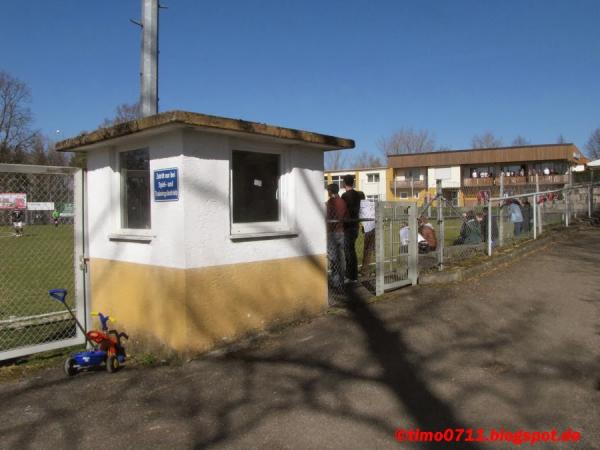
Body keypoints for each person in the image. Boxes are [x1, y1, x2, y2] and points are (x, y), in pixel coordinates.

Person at [341, 175, 365, 282]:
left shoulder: (344, 196)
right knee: (352, 251)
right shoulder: (358, 195)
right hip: (355, 225)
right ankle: (353, 275)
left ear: (344, 184)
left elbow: (342, 211)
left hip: (347, 226)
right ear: (353, 183)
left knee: (348, 252)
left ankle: (350, 276)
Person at [326, 184, 348, 289]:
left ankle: (336, 283)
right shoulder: (343, 202)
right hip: (341, 232)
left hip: (332, 233)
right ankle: (341, 280)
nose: (327, 193)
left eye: (328, 191)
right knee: (341, 257)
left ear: (330, 191)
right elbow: (346, 216)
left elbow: (326, 216)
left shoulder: (330, 203)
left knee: (333, 259)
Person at [359, 198, 375, 277]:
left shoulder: (360, 205)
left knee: (367, 251)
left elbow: (359, 216)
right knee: (373, 250)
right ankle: (365, 270)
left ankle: (364, 271)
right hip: (375, 227)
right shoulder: (370, 204)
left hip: (369, 230)